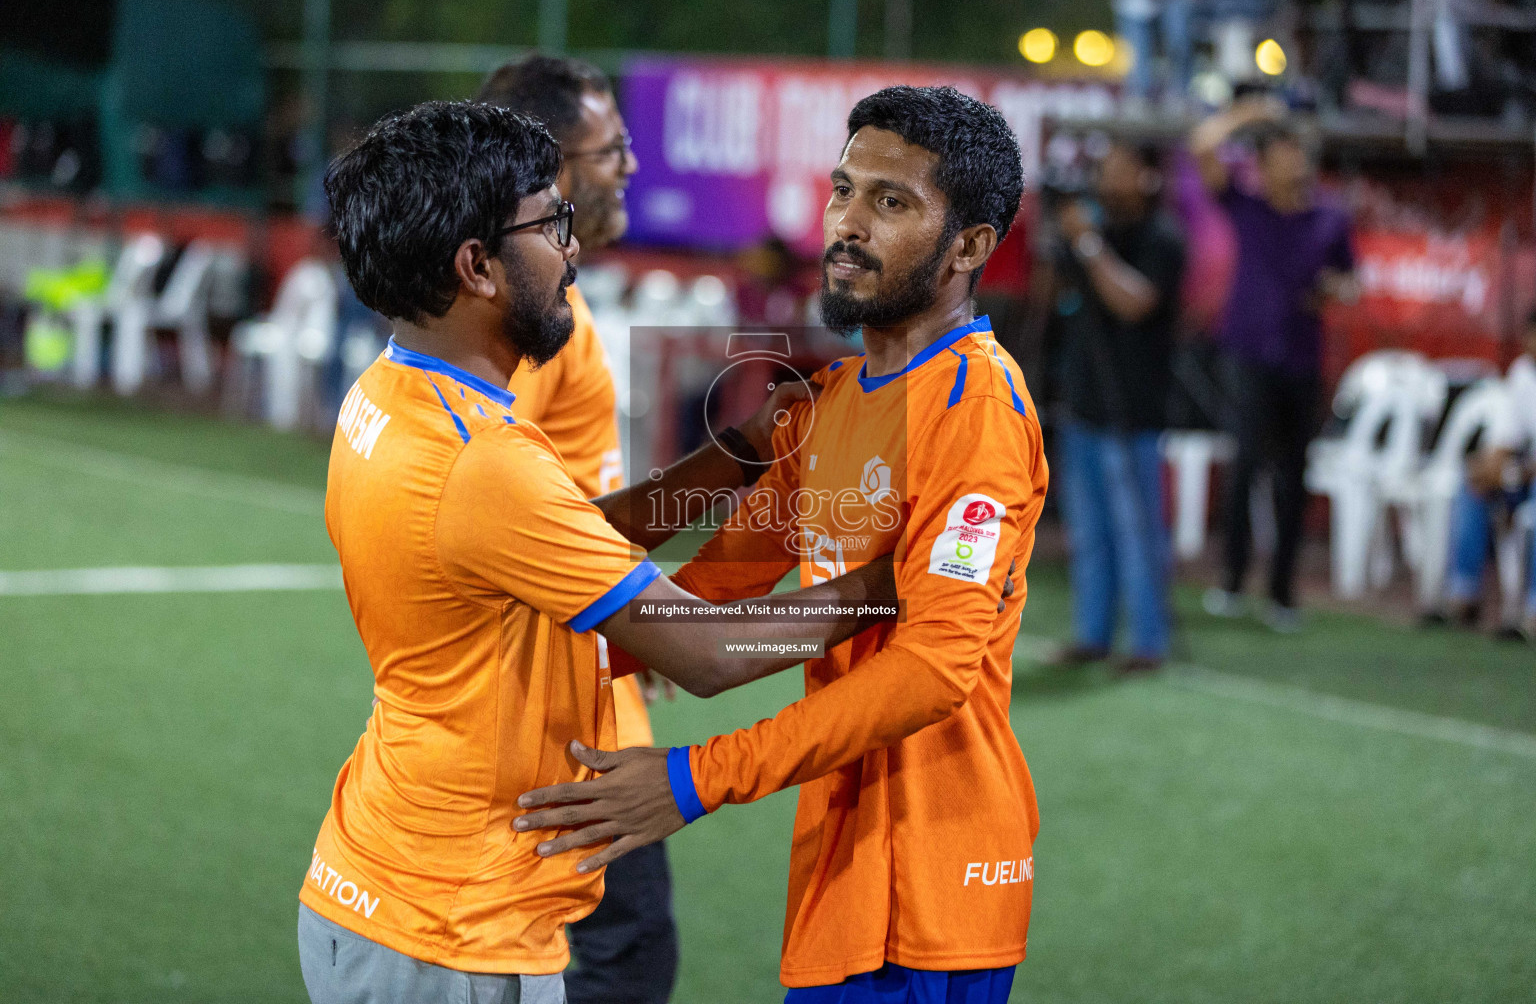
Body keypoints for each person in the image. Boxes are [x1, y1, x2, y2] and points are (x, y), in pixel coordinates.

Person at [298, 99, 915, 1004]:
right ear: (476, 267)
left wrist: (742, 451)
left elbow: (563, 539)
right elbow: (702, 653)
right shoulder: (484, 461)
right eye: (551, 223)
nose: (574, 246)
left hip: (386, 881)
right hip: (450, 933)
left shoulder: (396, 393)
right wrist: (893, 582)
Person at [517, 86, 1048, 1003]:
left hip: (932, 888)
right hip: (843, 873)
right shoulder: (831, 402)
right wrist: (518, 657)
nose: (847, 223)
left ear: (970, 247)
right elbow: (709, 603)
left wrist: (692, 779)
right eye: (844, 190)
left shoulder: (979, 409)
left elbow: (934, 667)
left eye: (891, 203)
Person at [475, 54, 676, 1004]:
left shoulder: (557, 304)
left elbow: (576, 514)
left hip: (584, 675)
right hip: (550, 709)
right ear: (549, 168)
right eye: (611, 151)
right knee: (620, 956)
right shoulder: (530, 325)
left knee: (613, 950)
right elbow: (505, 516)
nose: (630, 168)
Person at [1190, 97, 1358, 632]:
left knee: (1293, 477)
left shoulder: (1330, 217)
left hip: (1301, 358)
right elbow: (1202, 146)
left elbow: (1350, 280)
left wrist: (1334, 288)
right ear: (1261, 164)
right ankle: (1233, 579)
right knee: (1244, 467)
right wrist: (1253, 111)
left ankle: (1283, 592)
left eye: (1300, 152)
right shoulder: (1247, 206)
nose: (1296, 162)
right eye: (1284, 153)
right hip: (1247, 352)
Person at [1046, 139, 1186, 671]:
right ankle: (1092, 634)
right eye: (1104, 168)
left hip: (1134, 410)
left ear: (1148, 176)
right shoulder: (1094, 231)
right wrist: (1066, 241)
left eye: (1121, 168)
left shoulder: (1162, 238)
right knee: (1088, 532)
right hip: (1083, 404)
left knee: (1138, 532)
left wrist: (1087, 246)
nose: (1107, 177)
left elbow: (1133, 302)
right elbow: (1053, 292)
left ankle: (1148, 643)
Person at [1437, 310, 1536, 641]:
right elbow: (1506, 439)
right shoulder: (1523, 374)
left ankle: (1534, 609)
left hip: (1529, 480)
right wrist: (1488, 468)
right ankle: (1464, 594)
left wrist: (1516, 473)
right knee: (1473, 486)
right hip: (1523, 476)